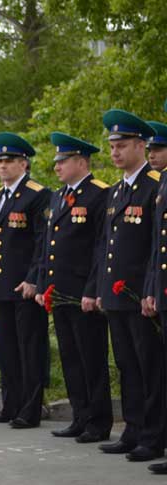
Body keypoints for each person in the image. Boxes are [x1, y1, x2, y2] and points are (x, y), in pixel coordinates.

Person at [32, 133, 112, 441]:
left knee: (91, 358)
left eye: (62, 161)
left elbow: (100, 247)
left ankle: (98, 421)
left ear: (81, 161)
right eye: (56, 162)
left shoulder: (99, 194)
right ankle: (80, 416)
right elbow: (47, 246)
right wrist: (43, 283)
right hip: (60, 291)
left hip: (83, 292)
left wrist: (92, 290)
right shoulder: (58, 195)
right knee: (71, 358)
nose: (57, 167)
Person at [96, 109, 164, 462]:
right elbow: (107, 244)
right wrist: (101, 289)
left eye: (122, 146)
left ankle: (153, 437)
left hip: (140, 294)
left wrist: (150, 289)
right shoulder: (117, 190)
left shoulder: (154, 185)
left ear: (141, 145)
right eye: (111, 147)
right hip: (117, 294)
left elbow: (155, 245)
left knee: (149, 366)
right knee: (126, 364)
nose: (115, 153)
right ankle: (133, 430)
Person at [0, 133, 51, 427]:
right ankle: (11, 405)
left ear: (24, 163)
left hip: (24, 286)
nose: (2, 166)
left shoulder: (37, 194)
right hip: (0, 285)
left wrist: (34, 279)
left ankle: (30, 409)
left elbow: (42, 243)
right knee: (7, 349)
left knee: (29, 349)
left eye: (9, 161)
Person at [145, 100, 167, 475]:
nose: (153, 155)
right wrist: (152, 288)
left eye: (157, 149)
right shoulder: (163, 180)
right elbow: (157, 244)